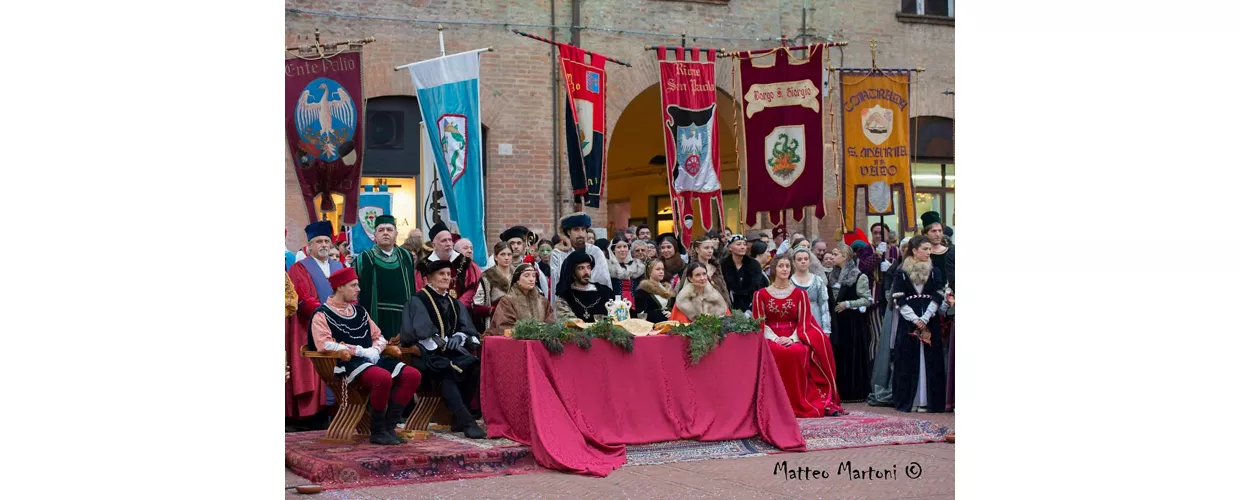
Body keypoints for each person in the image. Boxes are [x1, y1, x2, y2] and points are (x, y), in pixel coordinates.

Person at [309, 268, 423, 445]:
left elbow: (379, 336)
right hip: (346, 363)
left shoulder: (360, 312)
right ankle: (377, 431)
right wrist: (360, 351)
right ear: (340, 287)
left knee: (412, 375)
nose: (358, 289)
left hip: (371, 360)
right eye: (353, 285)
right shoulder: (322, 314)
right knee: (382, 378)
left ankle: (389, 426)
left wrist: (376, 350)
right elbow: (324, 344)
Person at [399, 260, 486, 438]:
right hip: (426, 355)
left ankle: (458, 418)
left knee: (475, 366)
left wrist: (459, 337)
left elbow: (467, 329)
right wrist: (439, 342)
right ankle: (467, 421)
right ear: (429, 278)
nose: (446, 277)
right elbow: (417, 333)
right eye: (441, 274)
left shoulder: (454, 302)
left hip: (451, 354)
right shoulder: (418, 300)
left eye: (448, 274)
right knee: (447, 371)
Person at [754, 254, 845, 418]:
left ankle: (798, 401)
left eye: (787, 266)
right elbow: (759, 322)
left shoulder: (800, 295)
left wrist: (791, 339)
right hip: (769, 337)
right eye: (781, 266)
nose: (784, 269)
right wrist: (775, 338)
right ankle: (774, 403)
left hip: (795, 336)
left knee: (795, 352)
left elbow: (804, 322)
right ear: (774, 268)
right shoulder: (761, 295)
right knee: (779, 351)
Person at [286, 221, 342, 418]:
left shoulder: (339, 266)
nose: (324, 245)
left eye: (327, 241)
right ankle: (313, 415)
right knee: (315, 370)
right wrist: (327, 313)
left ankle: (334, 411)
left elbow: (351, 292)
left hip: (339, 328)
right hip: (308, 327)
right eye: (319, 241)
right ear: (309, 245)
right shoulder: (299, 268)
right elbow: (301, 296)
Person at [890, 235, 948, 413]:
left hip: (929, 320)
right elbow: (898, 298)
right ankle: (911, 399)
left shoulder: (934, 271)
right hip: (909, 322)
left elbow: (938, 294)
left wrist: (926, 317)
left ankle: (929, 401)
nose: (928, 253)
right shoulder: (901, 272)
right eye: (925, 249)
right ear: (914, 251)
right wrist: (914, 319)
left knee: (931, 359)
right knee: (908, 359)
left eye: (930, 249)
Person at [353, 215, 419, 341]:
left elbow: (412, 286)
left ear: (396, 233)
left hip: (402, 316)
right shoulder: (364, 258)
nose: (385, 233)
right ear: (375, 235)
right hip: (375, 315)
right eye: (381, 230)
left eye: (389, 230)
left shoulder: (406, 256)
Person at [825, 242, 875, 402]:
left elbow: (867, 300)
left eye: (835, 254)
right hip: (836, 322)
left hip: (852, 323)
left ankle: (854, 391)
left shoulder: (859, 276)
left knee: (851, 355)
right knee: (837, 354)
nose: (832, 257)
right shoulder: (830, 276)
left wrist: (848, 304)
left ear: (845, 256)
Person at [868, 237, 912, 407]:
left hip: (913, 312)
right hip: (895, 312)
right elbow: (888, 292)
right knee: (892, 348)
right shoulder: (896, 268)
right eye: (905, 247)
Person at [414, 222, 484, 313]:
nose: (448, 244)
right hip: (433, 313)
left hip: (463, 312)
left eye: (450, 240)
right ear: (434, 245)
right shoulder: (423, 267)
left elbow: (474, 286)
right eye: (444, 241)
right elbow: (421, 291)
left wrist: (458, 305)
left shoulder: (465, 263)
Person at [486, 263, 557, 336]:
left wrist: (543, 330)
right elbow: (504, 327)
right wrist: (528, 331)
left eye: (533, 276)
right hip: (516, 343)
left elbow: (551, 324)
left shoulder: (543, 301)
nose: (531, 279)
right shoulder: (507, 301)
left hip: (540, 342)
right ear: (517, 280)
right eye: (526, 276)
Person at [549, 212, 611, 295]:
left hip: (594, 299)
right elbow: (556, 285)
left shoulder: (595, 252)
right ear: (568, 232)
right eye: (576, 229)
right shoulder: (558, 254)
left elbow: (603, 281)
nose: (581, 234)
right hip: (567, 301)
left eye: (583, 229)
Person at [554, 249, 615, 321]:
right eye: (581, 268)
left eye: (588, 267)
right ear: (573, 273)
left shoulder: (605, 291)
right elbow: (568, 323)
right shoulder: (565, 296)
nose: (586, 272)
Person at [789, 247, 832, 338]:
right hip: (795, 325)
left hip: (815, 321)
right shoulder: (789, 282)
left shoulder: (817, 281)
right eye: (799, 259)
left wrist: (826, 329)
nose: (803, 261)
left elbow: (824, 306)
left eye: (806, 259)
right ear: (794, 262)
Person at [720, 234, 765, 314]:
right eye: (738, 244)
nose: (743, 247)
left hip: (751, 304)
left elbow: (758, 287)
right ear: (730, 247)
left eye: (744, 244)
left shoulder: (754, 265)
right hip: (729, 305)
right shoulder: (722, 265)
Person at [477, 242, 516, 332]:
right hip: (495, 323)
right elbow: (477, 306)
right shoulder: (487, 276)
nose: (506, 258)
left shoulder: (518, 274)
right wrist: (494, 309)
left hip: (517, 321)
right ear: (495, 257)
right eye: (502, 254)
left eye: (509, 254)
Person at [684, 235, 731, 307]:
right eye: (706, 248)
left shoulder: (716, 267)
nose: (710, 251)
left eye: (712, 248)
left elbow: (723, 290)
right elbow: (686, 293)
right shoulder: (691, 269)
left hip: (720, 309)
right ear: (697, 250)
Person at [607, 238, 645, 305]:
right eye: (618, 247)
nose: (622, 250)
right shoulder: (608, 267)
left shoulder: (637, 266)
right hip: (615, 304)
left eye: (625, 246)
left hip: (635, 304)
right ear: (613, 249)